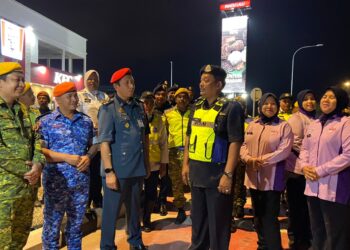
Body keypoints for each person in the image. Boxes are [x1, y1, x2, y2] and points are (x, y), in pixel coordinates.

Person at [182, 64, 244, 250]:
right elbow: (189, 136)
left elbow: (235, 142)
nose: (201, 84)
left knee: (218, 227)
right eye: (201, 80)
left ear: (218, 85)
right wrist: (185, 164)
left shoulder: (231, 108)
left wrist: (228, 175)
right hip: (197, 174)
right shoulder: (196, 107)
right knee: (198, 224)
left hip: (218, 176)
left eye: (206, 81)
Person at [38, 81, 95, 249]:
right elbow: (41, 151)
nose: (74, 99)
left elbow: (94, 144)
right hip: (56, 183)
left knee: (76, 227)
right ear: (58, 100)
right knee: (52, 227)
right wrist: (66, 158)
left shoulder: (85, 121)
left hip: (80, 183)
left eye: (75, 95)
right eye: (69, 96)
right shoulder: (46, 122)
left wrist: (89, 156)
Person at [98, 67, 150, 250]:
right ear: (116, 86)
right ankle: (107, 246)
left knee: (135, 211)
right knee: (111, 213)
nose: (132, 86)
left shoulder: (139, 107)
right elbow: (104, 142)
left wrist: (147, 164)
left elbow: (144, 138)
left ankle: (135, 242)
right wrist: (109, 171)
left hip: (136, 169)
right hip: (117, 172)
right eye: (127, 82)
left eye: (133, 82)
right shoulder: (108, 109)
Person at [0, 62, 45, 249]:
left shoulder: (27, 111)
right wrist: (29, 171)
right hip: (5, 192)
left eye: (22, 80)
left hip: (27, 189)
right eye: (16, 80)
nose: (21, 84)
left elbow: (39, 139)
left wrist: (38, 164)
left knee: (19, 239)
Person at [240, 93, 293, 250]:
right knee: (258, 216)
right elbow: (243, 145)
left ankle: (274, 247)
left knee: (269, 217)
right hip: (253, 177)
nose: (269, 106)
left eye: (273, 104)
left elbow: (284, 150)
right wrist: (248, 159)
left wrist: (261, 160)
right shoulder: (252, 124)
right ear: (260, 106)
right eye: (266, 103)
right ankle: (262, 245)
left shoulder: (284, 126)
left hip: (272, 179)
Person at [300, 86, 350, 250]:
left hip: (335, 188)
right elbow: (305, 149)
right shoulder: (314, 124)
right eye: (324, 96)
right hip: (312, 186)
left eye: (332, 97)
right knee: (317, 229)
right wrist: (305, 166)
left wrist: (319, 171)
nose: (326, 99)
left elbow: (347, 155)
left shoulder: (345, 123)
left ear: (340, 101)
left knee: (335, 234)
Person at [285, 89, 316, 249]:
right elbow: (295, 144)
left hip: (311, 171)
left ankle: (306, 238)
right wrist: (307, 163)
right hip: (296, 171)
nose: (310, 102)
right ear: (300, 101)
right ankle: (295, 240)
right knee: (297, 208)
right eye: (306, 99)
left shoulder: (316, 118)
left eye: (312, 99)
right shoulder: (296, 118)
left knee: (308, 209)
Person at [78, 69, 109, 209]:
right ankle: (86, 200)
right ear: (85, 80)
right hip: (86, 139)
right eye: (90, 79)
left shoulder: (104, 96)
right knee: (87, 170)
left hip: (102, 139)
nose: (93, 81)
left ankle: (97, 197)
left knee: (99, 170)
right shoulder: (79, 95)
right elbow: (77, 115)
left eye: (95, 79)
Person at [140, 91, 168, 232]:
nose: (148, 105)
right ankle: (135, 221)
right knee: (137, 194)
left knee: (151, 193)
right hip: (138, 165)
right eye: (145, 102)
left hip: (154, 164)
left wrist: (163, 164)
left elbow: (164, 144)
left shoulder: (159, 120)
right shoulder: (135, 118)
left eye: (151, 102)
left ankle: (147, 220)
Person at [164, 87, 191, 224]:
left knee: (193, 181)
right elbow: (164, 134)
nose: (182, 99)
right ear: (175, 99)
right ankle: (180, 209)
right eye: (179, 96)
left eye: (185, 97)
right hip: (173, 152)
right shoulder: (168, 114)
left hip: (191, 152)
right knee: (176, 182)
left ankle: (197, 209)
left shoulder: (194, 113)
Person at [153, 81, 172, 216]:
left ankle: (163, 202)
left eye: (163, 94)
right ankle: (153, 201)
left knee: (165, 177)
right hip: (152, 149)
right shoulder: (147, 108)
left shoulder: (170, 109)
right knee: (153, 178)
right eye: (158, 94)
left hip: (166, 147)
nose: (160, 96)